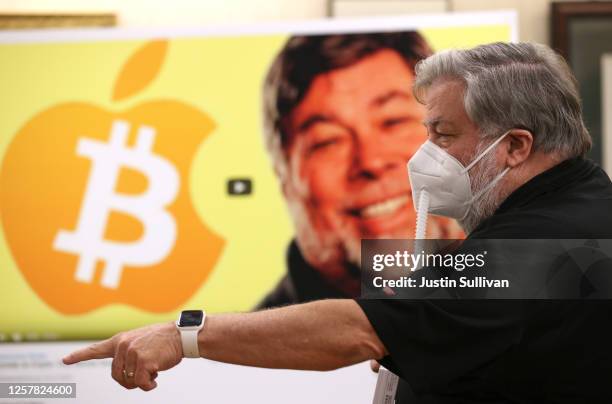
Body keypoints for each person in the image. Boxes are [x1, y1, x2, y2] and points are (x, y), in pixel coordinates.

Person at [63, 42, 612, 403]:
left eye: (442, 135)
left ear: (515, 146)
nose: (415, 157)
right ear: (286, 172)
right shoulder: (580, 209)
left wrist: (184, 336)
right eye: (327, 141)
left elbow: (354, 330)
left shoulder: (538, 247)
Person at [258, 32, 462, 308]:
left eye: (393, 121)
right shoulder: (244, 350)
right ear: (284, 179)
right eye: (328, 141)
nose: (371, 161)